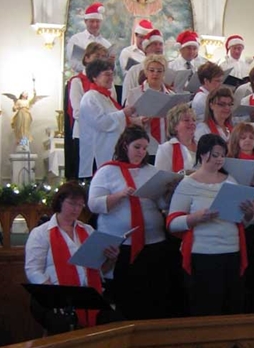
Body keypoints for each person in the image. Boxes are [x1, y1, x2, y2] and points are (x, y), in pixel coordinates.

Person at [88, 125, 180, 320]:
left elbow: (161, 203)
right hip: (122, 245)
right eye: (137, 147)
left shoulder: (151, 171)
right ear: (124, 145)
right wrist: (119, 195)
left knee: (154, 295)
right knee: (128, 297)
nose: (141, 152)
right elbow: (94, 204)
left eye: (145, 148)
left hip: (153, 242)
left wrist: (169, 191)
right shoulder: (107, 171)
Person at [167, 134, 254, 315]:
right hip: (203, 254)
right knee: (207, 307)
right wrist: (194, 218)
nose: (220, 159)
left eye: (223, 155)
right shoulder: (188, 184)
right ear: (203, 155)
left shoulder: (230, 180)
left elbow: (243, 223)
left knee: (233, 306)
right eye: (215, 155)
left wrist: (249, 213)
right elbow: (172, 223)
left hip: (232, 252)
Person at [25, 182, 119, 334]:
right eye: (72, 203)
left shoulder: (87, 230)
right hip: (54, 295)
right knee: (62, 327)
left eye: (81, 205)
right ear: (60, 201)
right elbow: (33, 270)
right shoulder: (41, 233)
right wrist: (52, 292)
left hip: (87, 296)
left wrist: (111, 259)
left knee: (117, 323)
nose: (76, 209)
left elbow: (99, 270)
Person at [79, 59, 139, 179]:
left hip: (112, 151)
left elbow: (116, 119)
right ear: (94, 77)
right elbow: (102, 123)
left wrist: (135, 121)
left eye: (112, 74)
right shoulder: (90, 97)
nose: (111, 78)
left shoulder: (106, 97)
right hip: (98, 152)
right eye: (107, 74)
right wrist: (123, 113)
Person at [65, 42, 110, 179]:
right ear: (87, 58)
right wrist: (101, 120)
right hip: (84, 134)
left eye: (104, 56)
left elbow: (112, 107)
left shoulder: (109, 82)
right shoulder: (77, 82)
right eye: (97, 56)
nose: (100, 59)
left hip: (104, 135)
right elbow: (78, 111)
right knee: (84, 173)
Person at [126, 54, 173, 160]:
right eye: (151, 70)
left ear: (164, 73)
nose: (155, 74)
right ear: (146, 72)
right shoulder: (134, 93)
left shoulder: (170, 95)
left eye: (159, 71)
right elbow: (127, 118)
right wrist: (140, 120)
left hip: (165, 145)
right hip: (144, 146)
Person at [66, 2, 112, 73]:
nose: (95, 24)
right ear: (85, 21)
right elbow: (74, 63)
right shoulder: (76, 40)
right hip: (82, 79)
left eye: (97, 21)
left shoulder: (106, 44)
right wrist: (92, 72)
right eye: (92, 21)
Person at [122, 29, 165, 104]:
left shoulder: (167, 69)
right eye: (154, 44)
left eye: (160, 44)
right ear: (146, 49)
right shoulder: (134, 70)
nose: (158, 47)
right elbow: (127, 97)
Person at [155, 103, 197, 173]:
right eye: (187, 120)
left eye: (193, 120)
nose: (192, 123)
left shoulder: (201, 145)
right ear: (175, 126)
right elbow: (161, 179)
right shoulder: (166, 149)